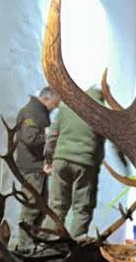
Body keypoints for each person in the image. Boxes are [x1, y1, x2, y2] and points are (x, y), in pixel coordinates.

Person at [45, 83, 105, 239]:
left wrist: (49, 159)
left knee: (56, 206)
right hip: (86, 163)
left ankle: (46, 246)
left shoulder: (67, 105)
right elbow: (105, 141)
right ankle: (75, 248)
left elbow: (52, 136)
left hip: (61, 160)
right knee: (82, 209)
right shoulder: (102, 110)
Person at [9, 85, 58, 255]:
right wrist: (50, 134)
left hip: (39, 167)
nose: (55, 107)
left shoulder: (40, 112)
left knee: (41, 206)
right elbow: (29, 138)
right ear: (46, 98)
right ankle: (25, 245)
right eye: (55, 103)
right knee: (31, 206)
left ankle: (32, 241)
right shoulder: (30, 112)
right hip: (31, 168)